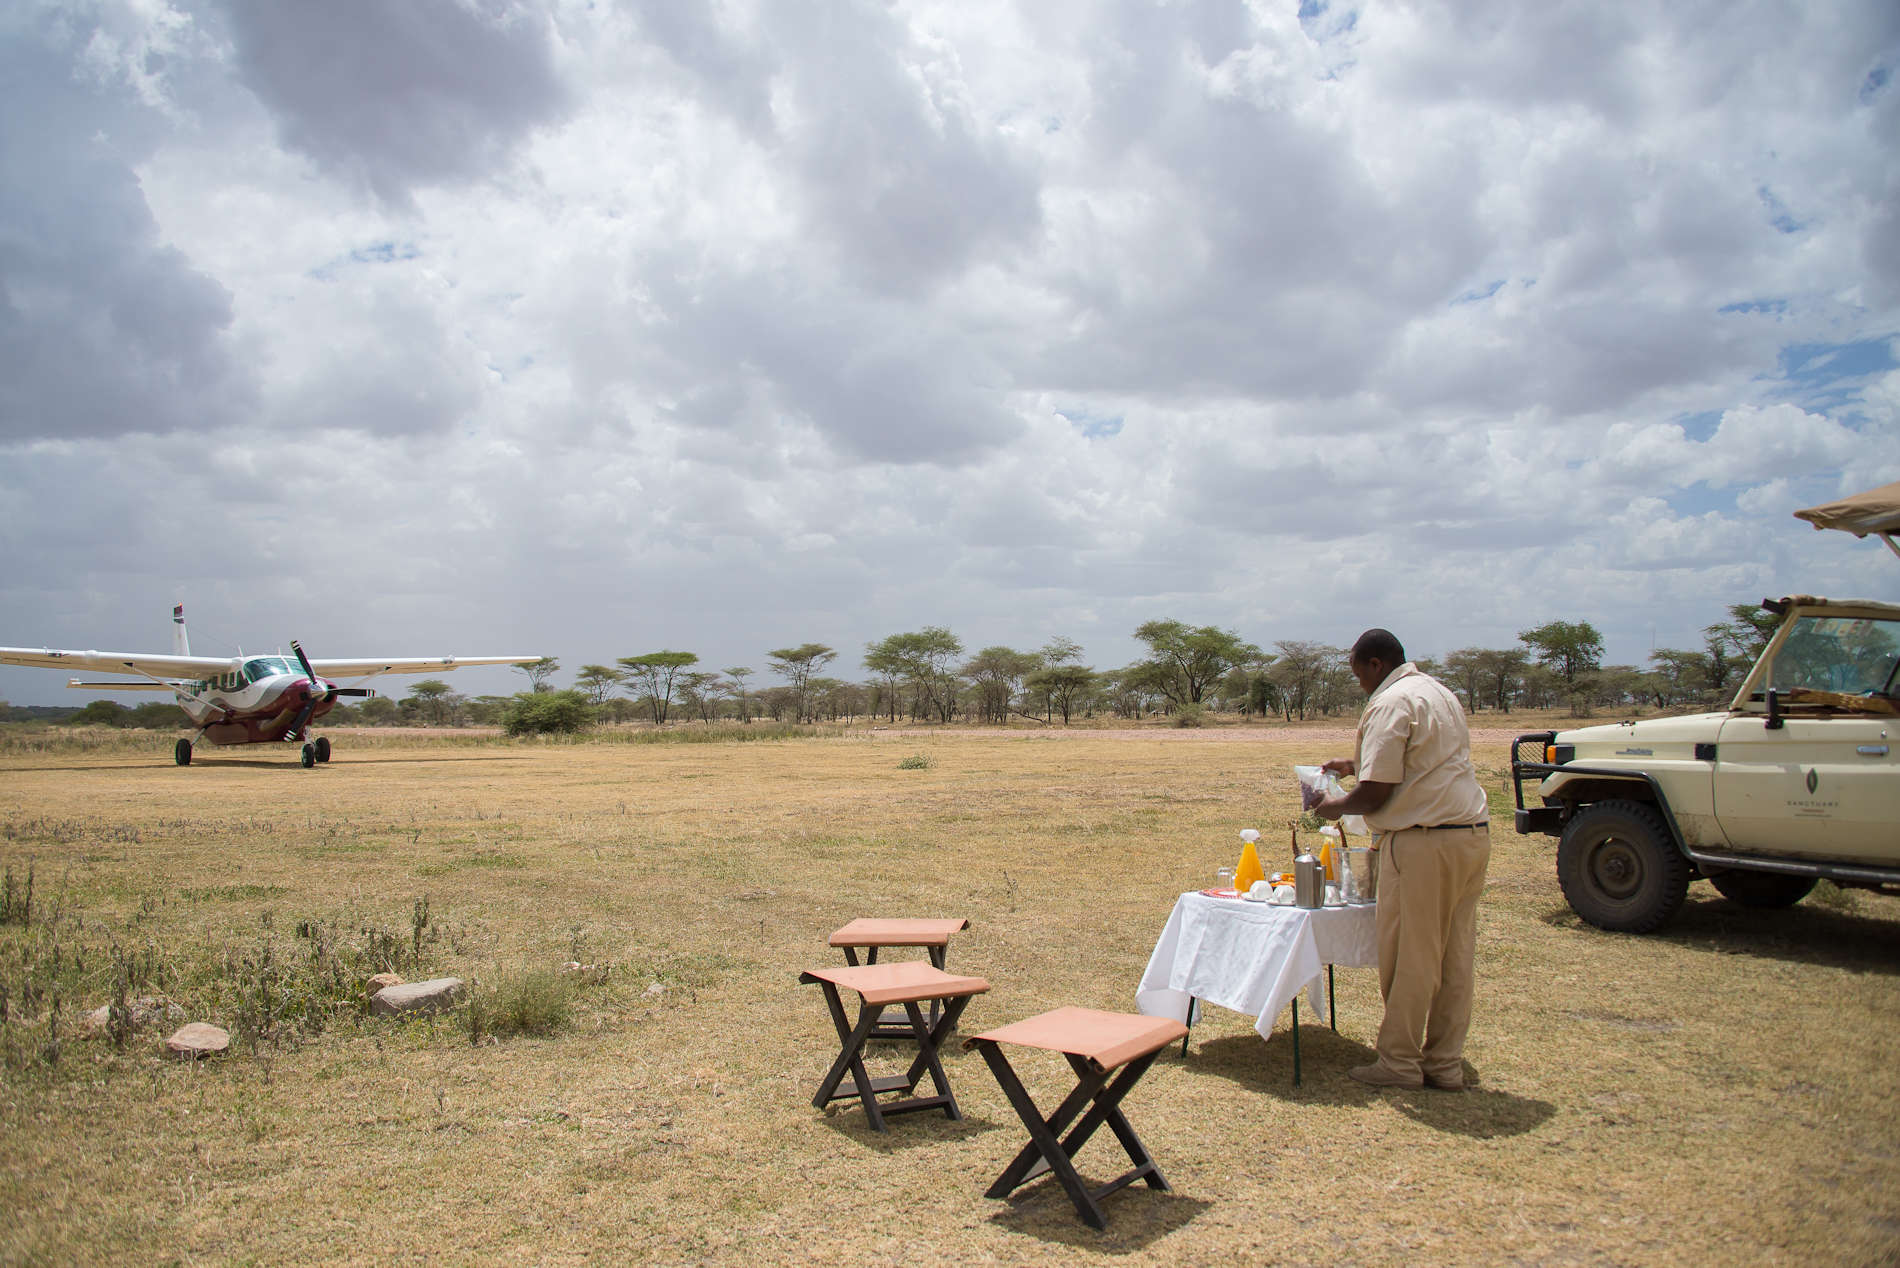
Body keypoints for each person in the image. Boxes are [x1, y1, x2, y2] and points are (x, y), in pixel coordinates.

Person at [1309, 628, 1490, 1091]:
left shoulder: (1391, 702)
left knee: (1412, 954)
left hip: (1421, 842)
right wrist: (1354, 765)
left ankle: (1400, 1063)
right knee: (1454, 955)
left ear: (1374, 665)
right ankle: (1444, 1063)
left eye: (1360, 676)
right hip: (1467, 836)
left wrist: (1335, 804)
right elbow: (1422, 762)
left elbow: (1377, 792)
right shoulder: (1439, 692)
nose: (1361, 686)